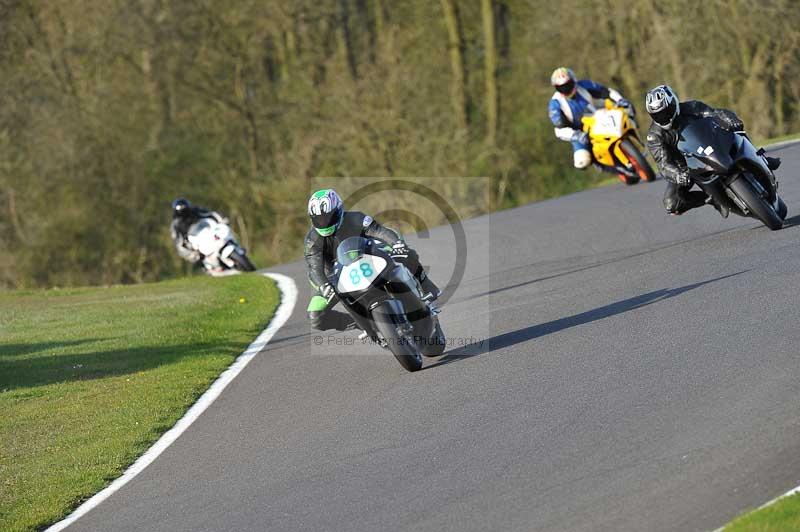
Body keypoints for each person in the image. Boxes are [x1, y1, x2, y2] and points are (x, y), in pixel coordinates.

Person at [305, 189, 440, 331]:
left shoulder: (356, 218)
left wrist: (396, 244)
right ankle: (360, 322)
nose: (324, 223)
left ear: (339, 211)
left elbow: (380, 231)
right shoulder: (312, 240)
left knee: (405, 253)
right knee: (315, 315)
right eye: (318, 219)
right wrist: (324, 285)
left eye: (328, 217)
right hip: (337, 278)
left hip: (370, 257)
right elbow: (314, 269)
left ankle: (426, 285)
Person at [644, 84, 781, 217]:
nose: (663, 117)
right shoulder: (654, 136)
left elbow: (714, 113)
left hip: (710, 145)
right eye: (657, 115)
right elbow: (663, 164)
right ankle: (711, 199)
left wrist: (729, 119)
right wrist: (677, 175)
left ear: (674, 103)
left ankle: (761, 158)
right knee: (671, 203)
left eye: (665, 112)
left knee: (736, 129)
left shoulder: (691, 107)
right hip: (685, 168)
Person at [547, 67, 634, 171]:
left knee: (626, 113)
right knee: (582, 162)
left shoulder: (584, 86)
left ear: (573, 80)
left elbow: (607, 91)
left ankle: (634, 139)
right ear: (556, 87)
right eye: (561, 87)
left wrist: (620, 100)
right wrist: (575, 135)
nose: (566, 89)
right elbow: (558, 126)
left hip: (598, 117)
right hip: (578, 131)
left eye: (567, 84)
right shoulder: (555, 103)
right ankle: (602, 165)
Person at [170, 198, 229, 264]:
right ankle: (210, 264)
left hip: (207, 230)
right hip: (194, 241)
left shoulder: (195, 211)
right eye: (181, 207)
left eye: (184, 207)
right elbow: (178, 241)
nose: (183, 209)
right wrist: (190, 252)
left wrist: (221, 220)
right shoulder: (176, 224)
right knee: (197, 256)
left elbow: (210, 214)